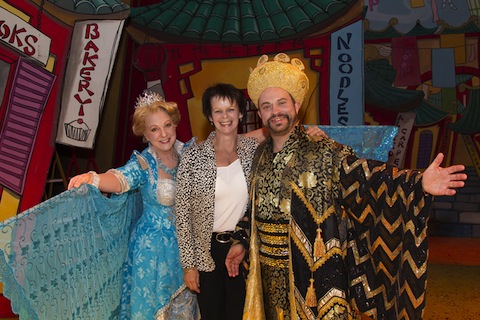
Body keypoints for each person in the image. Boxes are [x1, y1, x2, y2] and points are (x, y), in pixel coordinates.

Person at [225, 53, 468, 320]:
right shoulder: (260, 155)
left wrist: (417, 182)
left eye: (282, 103)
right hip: (267, 276)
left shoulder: (323, 151)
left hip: (312, 276)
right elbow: (254, 207)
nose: (275, 111)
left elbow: (366, 176)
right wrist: (241, 242)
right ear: (260, 114)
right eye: (267, 106)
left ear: (296, 105)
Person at [68, 92, 199, 320]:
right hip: (151, 252)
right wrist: (93, 178)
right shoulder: (143, 163)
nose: (164, 133)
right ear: (145, 133)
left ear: (175, 123)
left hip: (185, 251)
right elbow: (121, 179)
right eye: (155, 129)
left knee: (184, 310)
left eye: (167, 125)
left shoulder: (188, 153)